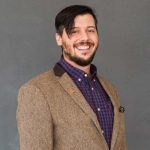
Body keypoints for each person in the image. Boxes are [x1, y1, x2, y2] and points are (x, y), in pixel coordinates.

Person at [16, 5, 127, 150]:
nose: (85, 38)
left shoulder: (110, 90)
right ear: (59, 39)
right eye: (74, 31)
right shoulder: (36, 91)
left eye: (90, 30)